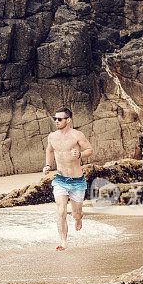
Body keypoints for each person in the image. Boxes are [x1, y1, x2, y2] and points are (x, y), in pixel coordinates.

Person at [43, 107, 94, 251]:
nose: (56, 121)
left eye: (60, 119)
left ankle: (78, 219)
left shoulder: (77, 135)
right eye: (55, 119)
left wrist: (80, 155)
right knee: (61, 211)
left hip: (77, 181)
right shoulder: (52, 137)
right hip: (60, 180)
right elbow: (49, 150)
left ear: (68, 120)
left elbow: (90, 150)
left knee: (76, 213)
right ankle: (63, 242)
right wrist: (48, 165)